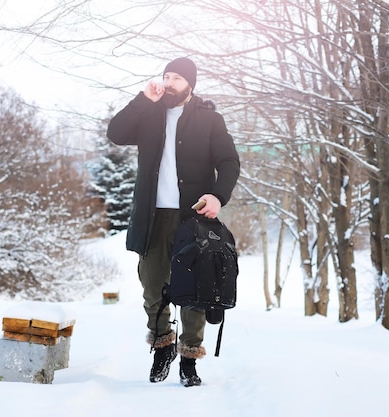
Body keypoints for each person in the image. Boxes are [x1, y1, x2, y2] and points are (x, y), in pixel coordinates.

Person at [106, 57, 240, 387]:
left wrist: (217, 196)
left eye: (177, 77)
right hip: (152, 217)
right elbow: (116, 133)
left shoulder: (209, 119)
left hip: (192, 217)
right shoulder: (149, 115)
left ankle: (190, 358)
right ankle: (162, 345)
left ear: (190, 84)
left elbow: (229, 161)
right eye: (166, 75)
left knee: (196, 288)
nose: (169, 81)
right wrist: (143, 100)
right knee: (152, 287)